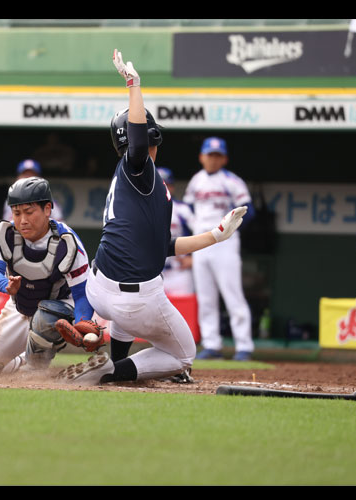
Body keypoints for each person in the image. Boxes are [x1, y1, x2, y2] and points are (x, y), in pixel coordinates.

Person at [57, 50, 248, 386]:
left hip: (101, 287)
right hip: (133, 298)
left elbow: (164, 246)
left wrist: (215, 236)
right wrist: (134, 86)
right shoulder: (139, 170)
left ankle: (113, 360)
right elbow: (138, 138)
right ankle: (112, 371)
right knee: (182, 356)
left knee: (126, 318)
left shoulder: (134, 180)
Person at [0, 176, 95, 376]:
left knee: (45, 316)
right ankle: (21, 364)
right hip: (21, 305)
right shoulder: (4, 235)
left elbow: (81, 293)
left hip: (59, 305)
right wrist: (5, 285)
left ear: (47, 209)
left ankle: (35, 369)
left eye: (29, 212)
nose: (22, 220)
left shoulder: (67, 242)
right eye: (16, 213)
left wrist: (82, 320)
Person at [182, 136, 256, 361]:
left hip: (225, 244)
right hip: (201, 243)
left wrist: (232, 230)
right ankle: (212, 344)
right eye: (209, 155)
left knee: (232, 293)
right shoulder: (196, 181)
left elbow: (249, 212)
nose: (212, 159)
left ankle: (244, 345)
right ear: (201, 157)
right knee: (206, 297)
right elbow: (187, 212)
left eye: (217, 155)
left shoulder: (232, 181)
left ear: (224, 159)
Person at [158, 167, 196, 296]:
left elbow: (202, 233)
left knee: (184, 313)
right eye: (159, 184)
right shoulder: (142, 210)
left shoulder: (182, 209)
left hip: (179, 273)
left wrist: (195, 258)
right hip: (153, 275)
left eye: (166, 184)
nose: (163, 188)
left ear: (172, 187)